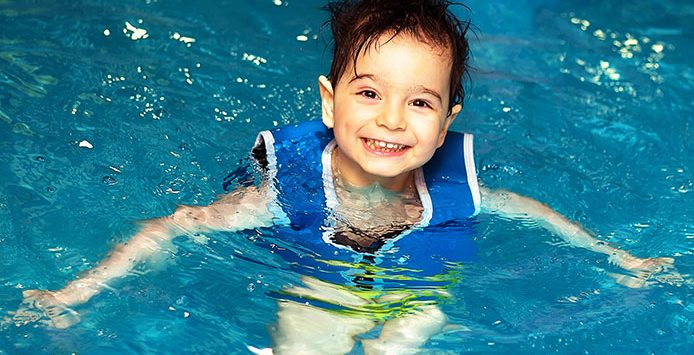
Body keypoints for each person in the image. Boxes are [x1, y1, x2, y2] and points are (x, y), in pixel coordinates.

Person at [14, 0, 676, 353]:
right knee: (309, 337)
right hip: (318, 266)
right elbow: (177, 226)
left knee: (404, 339)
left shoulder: (451, 190)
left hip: (421, 276)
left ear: (446, 122)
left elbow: (529, 211)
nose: (391, 119)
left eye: (419, 102)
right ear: (329, 102)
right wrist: (81, 289)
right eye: (368, 94)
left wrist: (619, 257)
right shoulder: (291, 185)